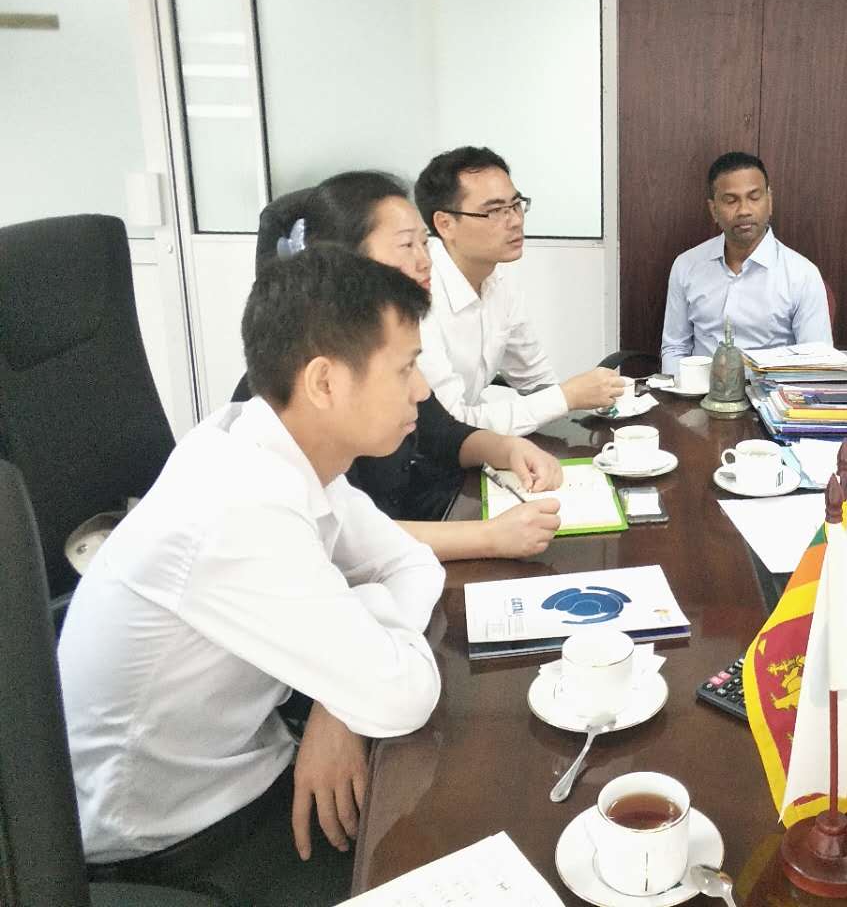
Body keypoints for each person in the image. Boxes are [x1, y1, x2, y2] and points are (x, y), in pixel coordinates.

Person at [59, 246, 447, 905]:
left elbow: (412, 561)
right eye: (406, 368)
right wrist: (356, 673)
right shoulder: (238, 505)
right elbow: (403, 697)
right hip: (165, 842)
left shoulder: (285, 449)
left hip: (248, 763)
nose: (422, 389)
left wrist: (336, 698)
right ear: (325, 383)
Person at [253, 172, 563, 560]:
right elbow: (341, 537)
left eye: (424, 243)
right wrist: (488, 536)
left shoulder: (389, 342)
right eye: (406, 245)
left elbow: (441, 434)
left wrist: (506, 447)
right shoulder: (311, 383)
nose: (425, 260)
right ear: (344, 259)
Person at [413, 145, 624, 434]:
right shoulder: (417, 295)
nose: (514, 221)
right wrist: (567, 396)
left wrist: (588, 399)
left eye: (515, 205)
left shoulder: (498, 280)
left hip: (472, 442)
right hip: (418, 450)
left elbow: (535, 379)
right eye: (494, 211)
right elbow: (448, 424)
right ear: (445, 224)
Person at [660, 151, 832, 377]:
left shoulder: (802, 274)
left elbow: (816, 363)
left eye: (754, 197)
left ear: (769, 201)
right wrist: (677, 392)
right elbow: (675, 348)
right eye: (731, 201)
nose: (744, 210)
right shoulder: (686, 266)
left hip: (770, 394)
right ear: (713, 210)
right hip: (701, 393)